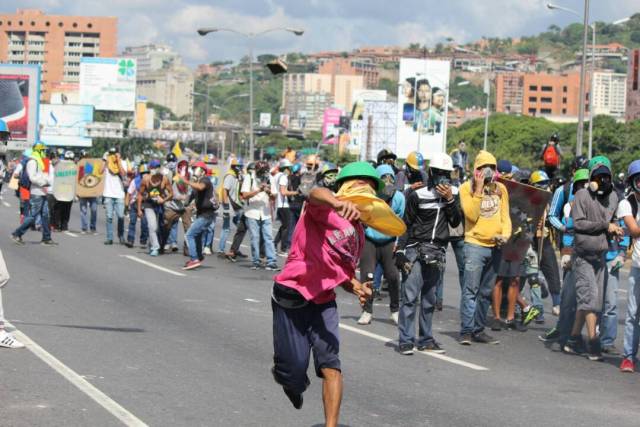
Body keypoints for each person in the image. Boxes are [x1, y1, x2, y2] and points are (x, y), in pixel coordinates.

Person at [271, 161, 404, 425]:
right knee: (294, 373)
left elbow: (339, 270)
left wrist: (355, 286)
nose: (363, 188)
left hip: (323, 302)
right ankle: (288, 379)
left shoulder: (358, 232)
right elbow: (313, 194)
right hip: (292, 296)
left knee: (331, 365)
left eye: (369, 186)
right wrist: (334, 202)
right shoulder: (324, 209)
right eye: (358, 182)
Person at [396, 152, 461, 354]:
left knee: (429, 299)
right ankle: (406, 340)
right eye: (439, 173)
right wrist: (399, 250)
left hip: (437, 252)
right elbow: (405, 224)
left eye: (446, 174)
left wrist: (449, 200)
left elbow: (456, 222)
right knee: (409, 297)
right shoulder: (418, 194)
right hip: (415, 249)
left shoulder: (454, 193)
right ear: (431, 172)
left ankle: (425, 339)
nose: (443, 177)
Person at [564, 156, 621, 361]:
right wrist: (605, 226)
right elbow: (578, 224)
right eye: (599, 177)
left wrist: (615, 229)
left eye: (607, 176)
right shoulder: (581, 196)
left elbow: (612, 219)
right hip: (583, 256)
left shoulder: (613, 197)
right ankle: (593, 342)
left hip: (601, 256)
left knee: (588, 300)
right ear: (591, 179)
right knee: (591, 301)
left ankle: (572, 340)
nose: (603, 180)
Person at [458, 150, 511, 345]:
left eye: (491, 167)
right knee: (470, 290)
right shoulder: (466, 188)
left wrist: (505, 235)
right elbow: (471, 215)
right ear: (476, 169)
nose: (487, 171)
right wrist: (479, 189)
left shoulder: (501, 189)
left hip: (495, 246)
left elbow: (505, 217)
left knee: (486, 291)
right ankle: (466, 330)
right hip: (474, 245)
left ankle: (478, 330)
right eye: (483, 167)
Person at [539, 168, 590, 345]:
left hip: (590, 247)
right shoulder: (564, 191)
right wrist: (563, 228)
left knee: (588, 294)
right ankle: (563, 329)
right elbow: (552, 215)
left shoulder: (596, 192)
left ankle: (587, 334)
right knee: (569, 291)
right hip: (568, 246)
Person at [357, 164, 405, 326]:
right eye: (383, 178)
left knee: (392, 276)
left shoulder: (399, 198)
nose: (388, 182)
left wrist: (398, 244)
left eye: (391, 178)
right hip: (370, 241)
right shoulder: (368, 196)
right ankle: (366, 311)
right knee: (367, 276)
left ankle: (395, 310)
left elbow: (402, 223)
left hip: (389, 242)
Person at [529, 170, 562, 323]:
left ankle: (557, 304)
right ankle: (537, 309)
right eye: (541, 185)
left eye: (546, 184)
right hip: (530, 241)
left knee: (553, 274)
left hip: (545, 241)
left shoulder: (551, 200)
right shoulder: (527, 200)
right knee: (531, 276)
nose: (545, 188)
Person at [11, 142, 57, 246]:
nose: (45, 152)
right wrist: (44, 182)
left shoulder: (40, 161)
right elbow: (32, 177)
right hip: (36, 192)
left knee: (46, 215)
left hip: (42, 192)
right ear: (39, 150)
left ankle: (46, 238)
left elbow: (42, 175)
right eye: (43, 150)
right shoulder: (33, 161)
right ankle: (17, 234)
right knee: (32, 216)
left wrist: (46, 181)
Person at [619, 160, 640, 372]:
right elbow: (634, 230)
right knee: (633, 313)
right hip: (638, 266)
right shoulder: (627, 203)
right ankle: (628, 356)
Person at [241, 160, 279, 270]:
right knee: (255, 238)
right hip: (252, 212)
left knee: (268, 237)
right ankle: (256, 261)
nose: (263, 174)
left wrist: (268, 192)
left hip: (266, 212)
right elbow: (244, 195)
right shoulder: (250, 177)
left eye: (265, 172)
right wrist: (259, 190)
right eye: (261, 172)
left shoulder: (270, 178)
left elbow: (274, 197)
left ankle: (271, 262)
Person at [183, 162, 218, 270]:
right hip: (201, 214)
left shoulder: (205, 180)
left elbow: (200, 187)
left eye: (196, 168)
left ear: (202, 171)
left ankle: (194, 259)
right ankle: (198, 256)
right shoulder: (196, 183)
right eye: (193, 169)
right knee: (197, 236)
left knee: (189, 235)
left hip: (206, 214)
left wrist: (187, 181)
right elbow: (189, 198)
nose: (194, 170)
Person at [137, 159, 173, 257]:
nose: (155, 169)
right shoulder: (146, 179)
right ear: (150, 169)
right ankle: (155, 247)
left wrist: (164, 200)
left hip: (160, 205)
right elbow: (140, 194)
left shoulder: (164, 179)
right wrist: (139, 209)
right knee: (152, 226)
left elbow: (171, 193)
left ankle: (155, 244)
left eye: (157, 167)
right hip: (149, 204)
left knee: (161, 227)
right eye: (153, 167)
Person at [163, 158, 192, 256]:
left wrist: (191, 201)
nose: (183, 169)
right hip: (173, 207)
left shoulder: (189, 177)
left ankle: (187, 248)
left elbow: (191, 190)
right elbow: (171, 193)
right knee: (166, 225)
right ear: (178, 167)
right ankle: (162, 243)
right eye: (181, 166)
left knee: (189, 228)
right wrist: (181, 197)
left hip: (185, 207)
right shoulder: (173, 177)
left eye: (185, 166)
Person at [219, 158, 244, 256]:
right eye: (239, 167)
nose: (240, 169)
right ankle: (221, 250)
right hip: (229, 205)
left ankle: (235, 249)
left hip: (237, 205)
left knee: (240, 227)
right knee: (226, 228)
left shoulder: (237, 176)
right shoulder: (230, 176)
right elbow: (225, 190)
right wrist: (225, 205)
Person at [273, 159, 298, 256]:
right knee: (286, 228)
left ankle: (274, 245)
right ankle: (283, 249)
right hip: (283, 205)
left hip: (278, 205)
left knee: (283, 226)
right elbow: (283, 192)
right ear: (285, 168)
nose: (290, 170)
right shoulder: (283, 177)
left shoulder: (276, 176)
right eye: (289, 168)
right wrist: (295, 193)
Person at [102, 147, 126, 245]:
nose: (112, 155)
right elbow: (100, 171)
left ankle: (121, 236)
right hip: (108, 193)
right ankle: (109, 238)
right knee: (109, 217)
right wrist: (104, 160)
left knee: (121, 216)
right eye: (110, 153)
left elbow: (123, 173)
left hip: (119, 194)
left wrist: (118, 160)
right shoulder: (107, 163)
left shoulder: (122, 162)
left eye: (114, 153)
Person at [125, 163, 149, 249]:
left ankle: (143, 241)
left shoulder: (150, 181)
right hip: (134, 204)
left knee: (144, 223)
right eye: (144, 173)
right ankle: (130, 240)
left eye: (147, 173)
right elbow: (129, 193)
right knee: (132, 222)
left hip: (145, 204)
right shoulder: (135, 181)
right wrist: (126, 205)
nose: (145, 175)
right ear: (141, 174)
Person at [78, 150, 98, 235]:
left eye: (86, 156)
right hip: (83, 191)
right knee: (83, 210)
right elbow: (78, 179)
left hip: (92, 191)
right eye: (83, 156)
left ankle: (93, 228)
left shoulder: (92, 165)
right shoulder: (79, 166)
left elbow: (97, 177)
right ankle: (84, 228)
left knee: (94, 209)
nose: (85, 158)